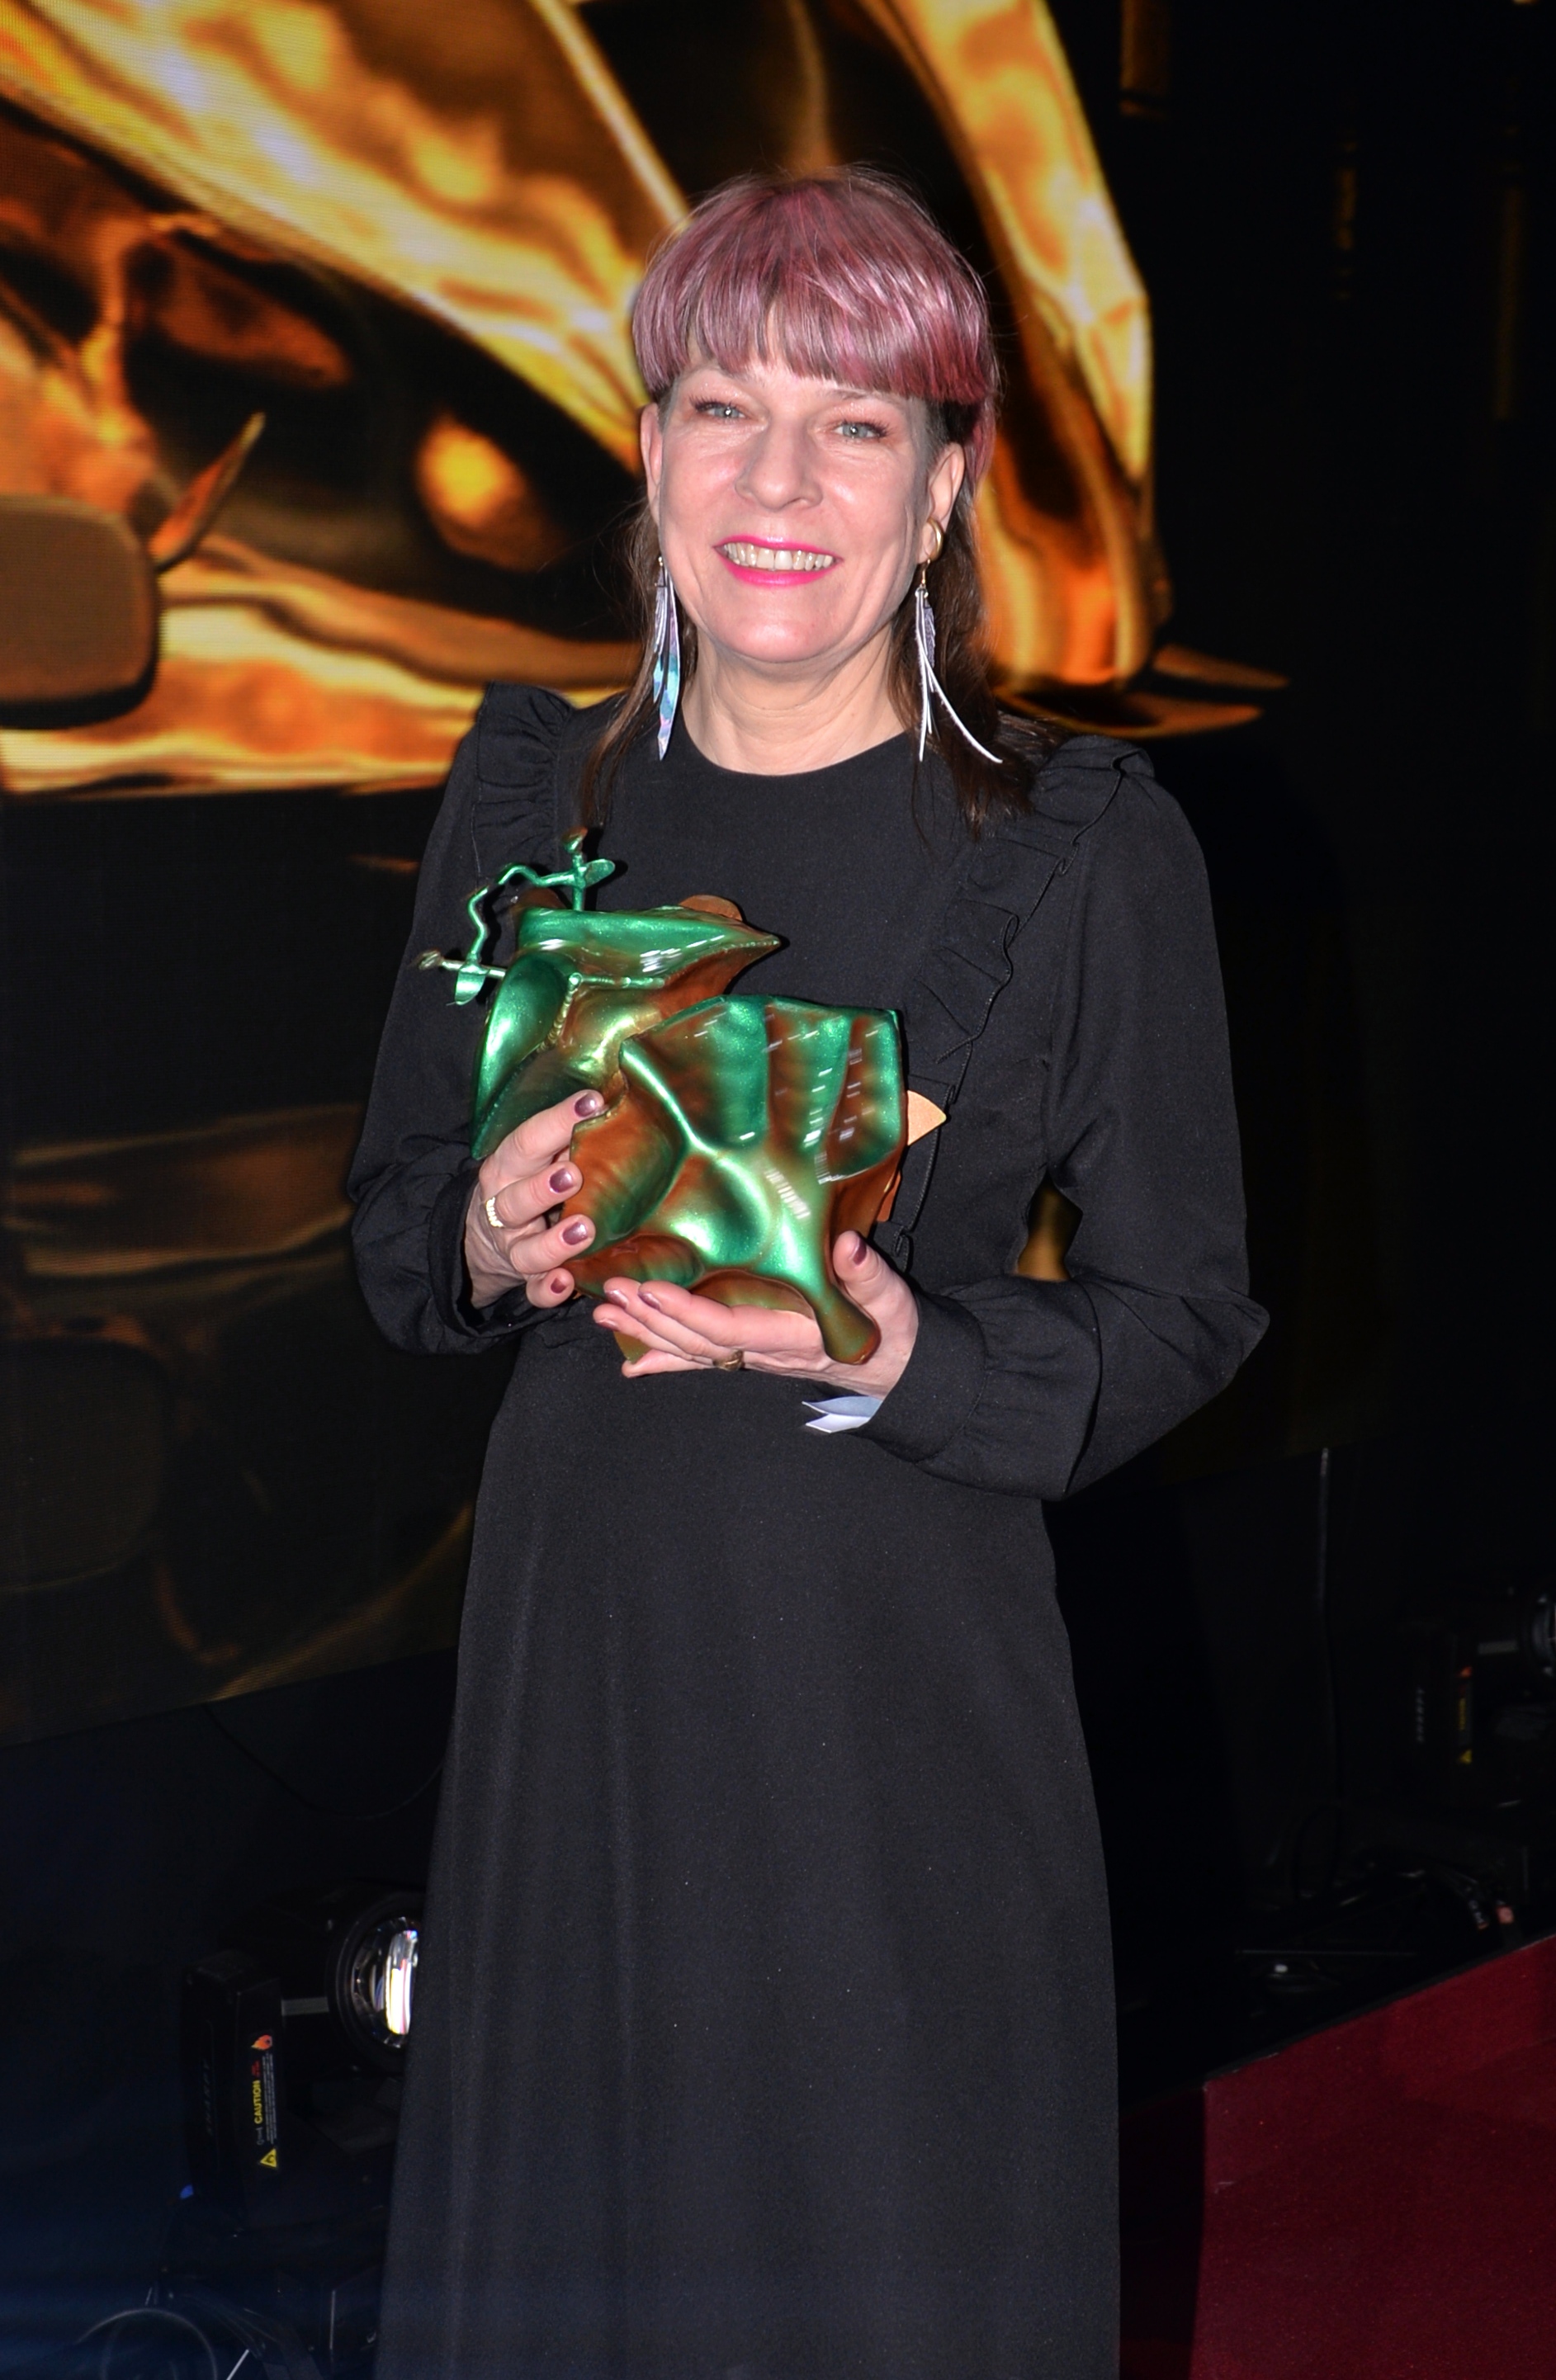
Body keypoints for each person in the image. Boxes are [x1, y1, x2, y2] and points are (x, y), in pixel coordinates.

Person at [351, 170, 1265, 2380]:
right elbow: (393, 1233)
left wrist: (908, 1346)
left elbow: (1186, 1306)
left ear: (942, 490)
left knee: (878, 2263)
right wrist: (481, 1229)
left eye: (853, 425)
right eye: (724, 410)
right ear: (650, 453)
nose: (778, 484)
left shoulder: (1078, 852)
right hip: (581, 1673)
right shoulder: (528, 803)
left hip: (890, 1690)